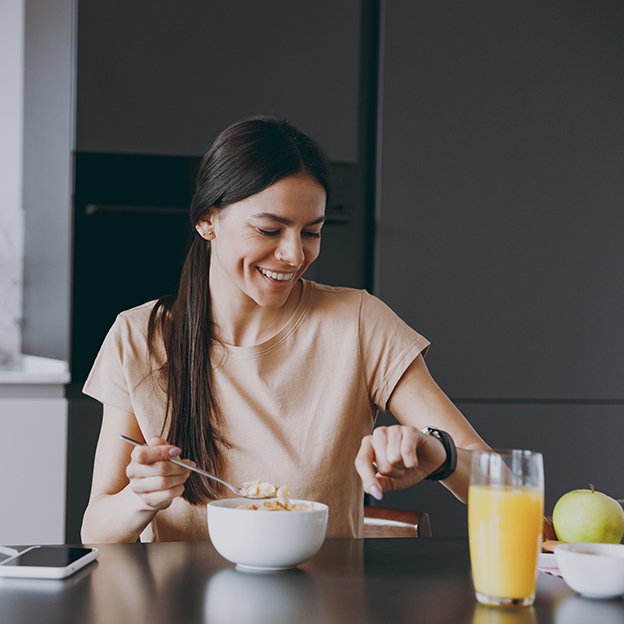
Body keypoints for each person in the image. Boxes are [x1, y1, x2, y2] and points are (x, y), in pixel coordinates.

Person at [81, 116, 489, 543]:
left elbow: (494, 476)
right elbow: (94, 529)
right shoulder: (138, 336)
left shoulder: (359, 323)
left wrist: (440, 456)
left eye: (311, 232)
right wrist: (142, 498)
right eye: (269, 230)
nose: (294, 255)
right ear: (207, 221)